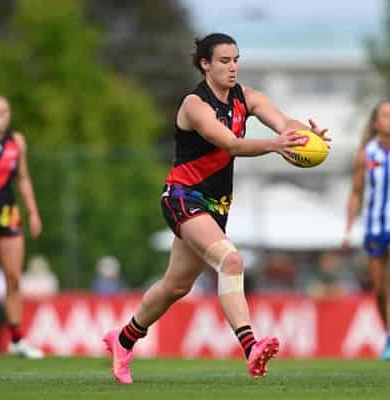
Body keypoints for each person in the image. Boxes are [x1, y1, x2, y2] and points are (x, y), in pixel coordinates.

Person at [103, 33, 329, 383]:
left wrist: (305, 136)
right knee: (231, 260)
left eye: (236, 59)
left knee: (176, 286)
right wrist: (276, 145)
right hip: (182, 196)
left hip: (215, 205)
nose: (232, 67)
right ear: (205, 64)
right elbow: (231, 144)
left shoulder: (246, 97)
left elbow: (283, 122)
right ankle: (251, 346)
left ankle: (123, 340)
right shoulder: (195, 105)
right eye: (224, 61)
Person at [0, 94, 44, 358]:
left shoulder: (16, 141)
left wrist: (32, 212)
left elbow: (22, 179)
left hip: (8, 212)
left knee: (13, 277)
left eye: (4, 110)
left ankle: (16, 338)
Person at [343, 100, 390, 360]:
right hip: (373, 227)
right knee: (380, 289)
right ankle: (388, 334)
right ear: (375, 122)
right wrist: (348, 228)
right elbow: (356, 192)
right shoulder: (366, 154)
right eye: (385, 115)